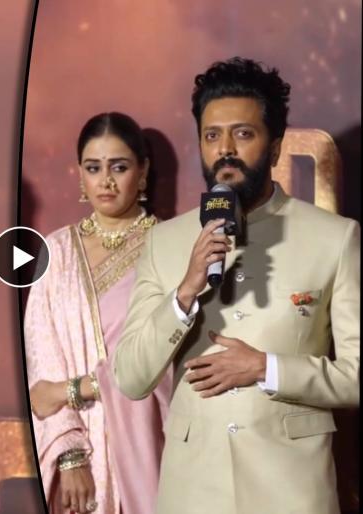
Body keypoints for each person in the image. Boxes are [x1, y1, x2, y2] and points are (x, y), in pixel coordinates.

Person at [113, 57, 360, 514]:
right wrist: (184, 293)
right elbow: (130, 378)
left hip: (293, 493)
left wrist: (267, 368)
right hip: (192, 494)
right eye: (212, 136)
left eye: (243, 134)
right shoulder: (165, 242)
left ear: (276, 147)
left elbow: (356, 376)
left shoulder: (335, 238)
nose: (225, 149)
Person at [25, 112, 172, 514]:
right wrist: (70, 456)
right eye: (94, 168)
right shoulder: (57, 252)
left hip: (149, 441)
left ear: (143, 173)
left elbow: (167, 361)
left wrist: (77, 388)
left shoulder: (170, 247)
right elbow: (42, 365)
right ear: (80, 174)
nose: (105, 181)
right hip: (78, 457)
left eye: (119, 167)